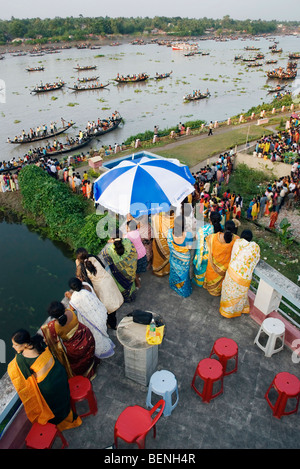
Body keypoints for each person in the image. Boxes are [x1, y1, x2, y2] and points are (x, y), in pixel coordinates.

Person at [7, 329, 82, 431]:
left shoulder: (21, 359)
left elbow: (19, 376)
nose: (13, 347)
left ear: (24, 345)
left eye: (15, 345)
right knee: (62, 396)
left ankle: (63, 422)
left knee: (53, 406)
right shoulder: (38, 341)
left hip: (49, 386)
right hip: (59, 373)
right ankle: (69, 413)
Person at [41, 301, 99, 380]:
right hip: (86, 336)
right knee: (88, 353)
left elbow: (52, 342)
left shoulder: (53, 326)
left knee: (77, 363)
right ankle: (93, 367)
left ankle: (85, 375)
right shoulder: (70, 312)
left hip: (74, 348)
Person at [65, 278, 115, 359]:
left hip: (90, 319)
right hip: (98, 313)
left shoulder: (74, 298)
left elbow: (72, 309)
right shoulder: (86, 287)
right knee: (100, 330)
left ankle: (102, 350)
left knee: (96, 334)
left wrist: (70, 296)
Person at [75, 248, 124, 330]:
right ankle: (113, 323)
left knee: (107, 308)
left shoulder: (81, 266)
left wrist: (77, 265)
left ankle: (112, 324)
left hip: (101, 288)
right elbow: (103, 266)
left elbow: (83, 280)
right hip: (108, 281)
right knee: (112, 302)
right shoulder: (93, 257)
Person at [219, 230, 260, 318]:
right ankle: (235, 311)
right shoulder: (254, 247)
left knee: (229, 292)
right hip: (243, 277)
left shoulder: (237, 242)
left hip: (232, 272)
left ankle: (226, 311)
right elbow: (256, 258)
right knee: (239, 295)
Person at [100, 229, 138, 303]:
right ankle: (132, 293)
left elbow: (104, 254)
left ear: (112, 238)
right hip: (132, 270)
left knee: (123, 285)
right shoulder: (127, 242)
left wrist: (112, 242)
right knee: (131, 282)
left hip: (122, 274)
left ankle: (128, 297)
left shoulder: (110, 250)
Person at [203, 224, 239, 296]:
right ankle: (217, 292)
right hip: (224, 267)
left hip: (212, 264)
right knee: (221, 281)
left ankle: (210, 288)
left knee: (211, 276)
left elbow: (206, 239)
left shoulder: (214, 237)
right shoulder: (236, 239)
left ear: (224, 228)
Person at [193, 211, 222, 287]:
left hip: (204, 252)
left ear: (210, 220)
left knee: (201, 267)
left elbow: (197, 237)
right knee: (208, 268)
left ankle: (199, 282)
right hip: (213, 252)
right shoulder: (220, 228)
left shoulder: (204, 229)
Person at [167, 215, 194, 297]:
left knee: (174, 272)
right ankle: (182, 290)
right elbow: (189, 248)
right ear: (184, 225)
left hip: (174, 259)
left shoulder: (170, 232)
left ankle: (174, 286)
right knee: (183, 275)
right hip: (184, 261)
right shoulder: (188, 235)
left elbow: (169, 244)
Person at [124, 219, 147, 288]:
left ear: (128, 227)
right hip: (143, 252)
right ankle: (139, 277)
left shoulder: (127, 236)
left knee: (134, 271)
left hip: (136, 255)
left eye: (126, 227)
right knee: (138, 268)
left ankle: (138, 284)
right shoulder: (137, 231)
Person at [151, 208, 175, 277]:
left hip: (159, 243)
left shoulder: (156, 218)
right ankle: (168, 270)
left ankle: (159, 271)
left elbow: (153, 219)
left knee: (159, 257)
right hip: (170, 242)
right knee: (169, 256)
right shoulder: (175, 217)